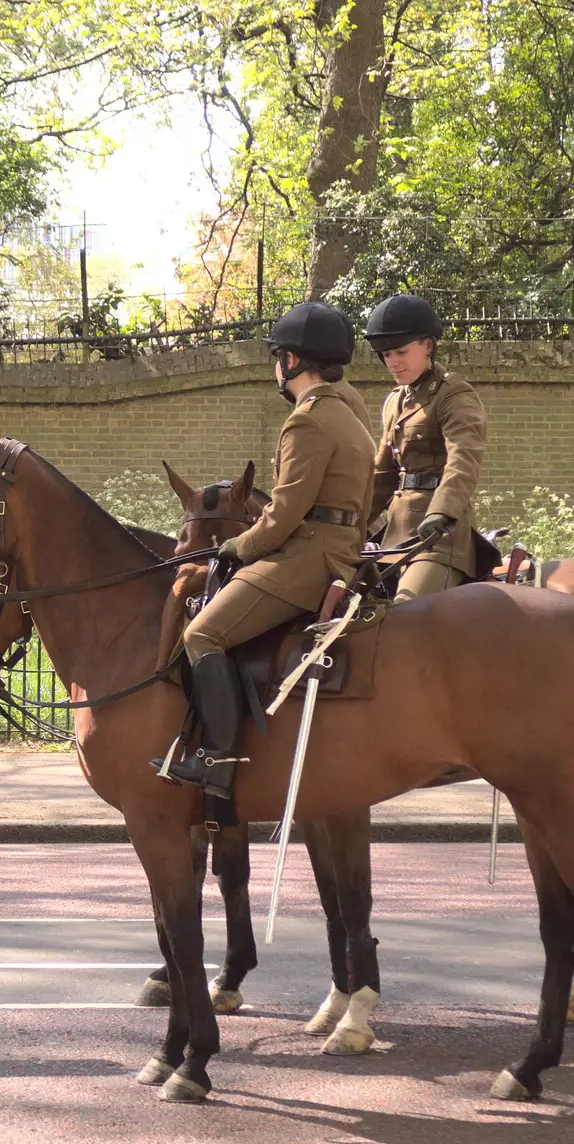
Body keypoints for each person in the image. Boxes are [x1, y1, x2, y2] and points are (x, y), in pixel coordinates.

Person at [155, 302, 374, 794]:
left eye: (278, 356)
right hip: (340, 547)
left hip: (309, 556)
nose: (277, 366)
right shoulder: (350, 413)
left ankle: (218, 758)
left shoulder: (307, 421)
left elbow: (283, 517)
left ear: (293, 360)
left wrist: (236, 546)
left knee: (201, 636)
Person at [363, 295, 488, 600]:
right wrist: (350, 522)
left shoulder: (454, 395)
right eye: (386, 354)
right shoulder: (395, 401)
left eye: (401, 351)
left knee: (405, 613)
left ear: (428, 346)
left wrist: (442, 512)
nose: (393, 362)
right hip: (396, 537)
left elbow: (463, 459)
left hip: (439, 539)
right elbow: (382, 476)